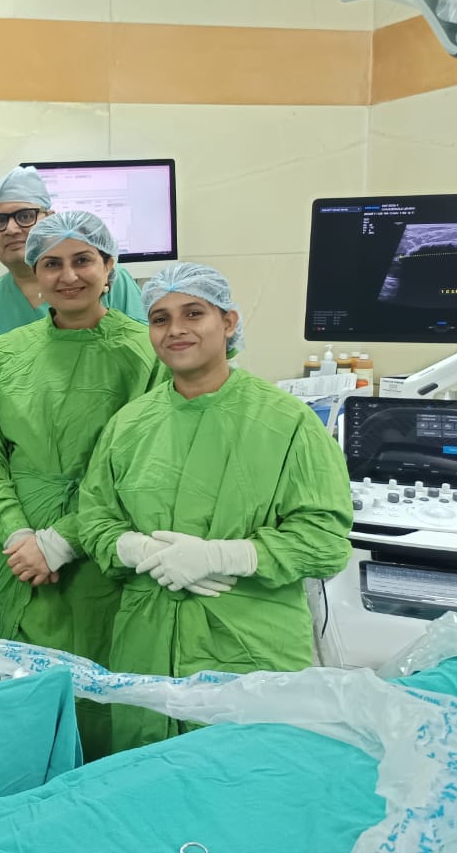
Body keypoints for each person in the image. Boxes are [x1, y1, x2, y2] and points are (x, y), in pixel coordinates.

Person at [77, 262, 353, 754]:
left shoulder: (287, 422)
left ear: (228, 322)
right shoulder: (129, 425)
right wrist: (132, 547)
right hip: (146, 643)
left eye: (193, 313)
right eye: (160, 318)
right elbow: (95, 518)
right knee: (147, 776)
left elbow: (325, 540)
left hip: (249, 645)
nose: (175, 329)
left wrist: (228, 556)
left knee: (243, 776)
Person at [0, 210, 166, 760]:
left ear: (109, 267)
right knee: (16, 694)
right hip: (16, 553)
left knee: (97, 691)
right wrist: (17, 534)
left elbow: (146, 470)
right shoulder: (7, 354)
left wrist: (65, 539)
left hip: (102, 550)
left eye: (82, 260)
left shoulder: (145, 354)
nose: (68, 276)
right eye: (52, 263)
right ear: (35, 272)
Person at [0, 165, 147, 375]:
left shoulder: (107, 280)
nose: (11, 229)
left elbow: (147, 356)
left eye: (25, 216)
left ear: (50, 219)